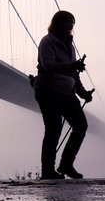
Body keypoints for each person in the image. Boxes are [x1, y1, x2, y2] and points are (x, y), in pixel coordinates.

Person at [33, 10, 92, 180]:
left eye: (72, 23)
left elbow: (73, 74)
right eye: (67, 22)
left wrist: (83, 93)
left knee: (81, 126)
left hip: (67, 92)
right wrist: (72, 65)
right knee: (53, 130)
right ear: (57, 24)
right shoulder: (47, 42)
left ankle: (66, 164)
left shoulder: (70, 45)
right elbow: (49, 66)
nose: (70, 26)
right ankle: (48, 171)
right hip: (48, 90)